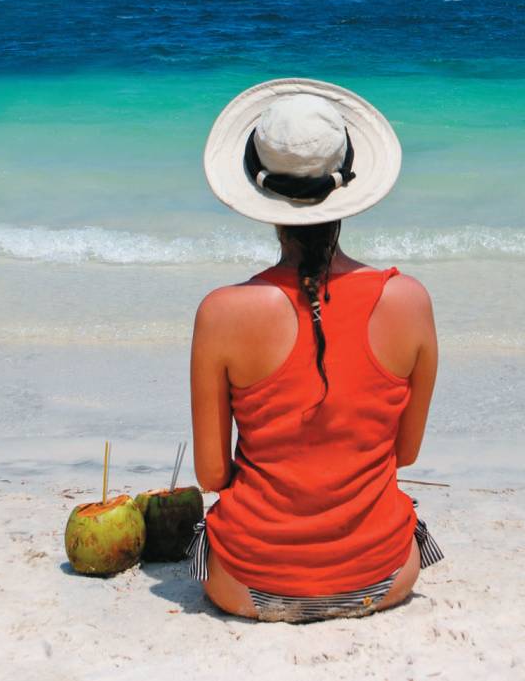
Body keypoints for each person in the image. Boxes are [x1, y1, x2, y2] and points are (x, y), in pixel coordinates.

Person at [189, 78, 442, 623]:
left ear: (258, 189)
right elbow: (405, 454)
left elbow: (211, 475)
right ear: (349, 182)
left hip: (246, 584)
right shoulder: (411, 301)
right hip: (383, 576)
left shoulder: (221, 313)